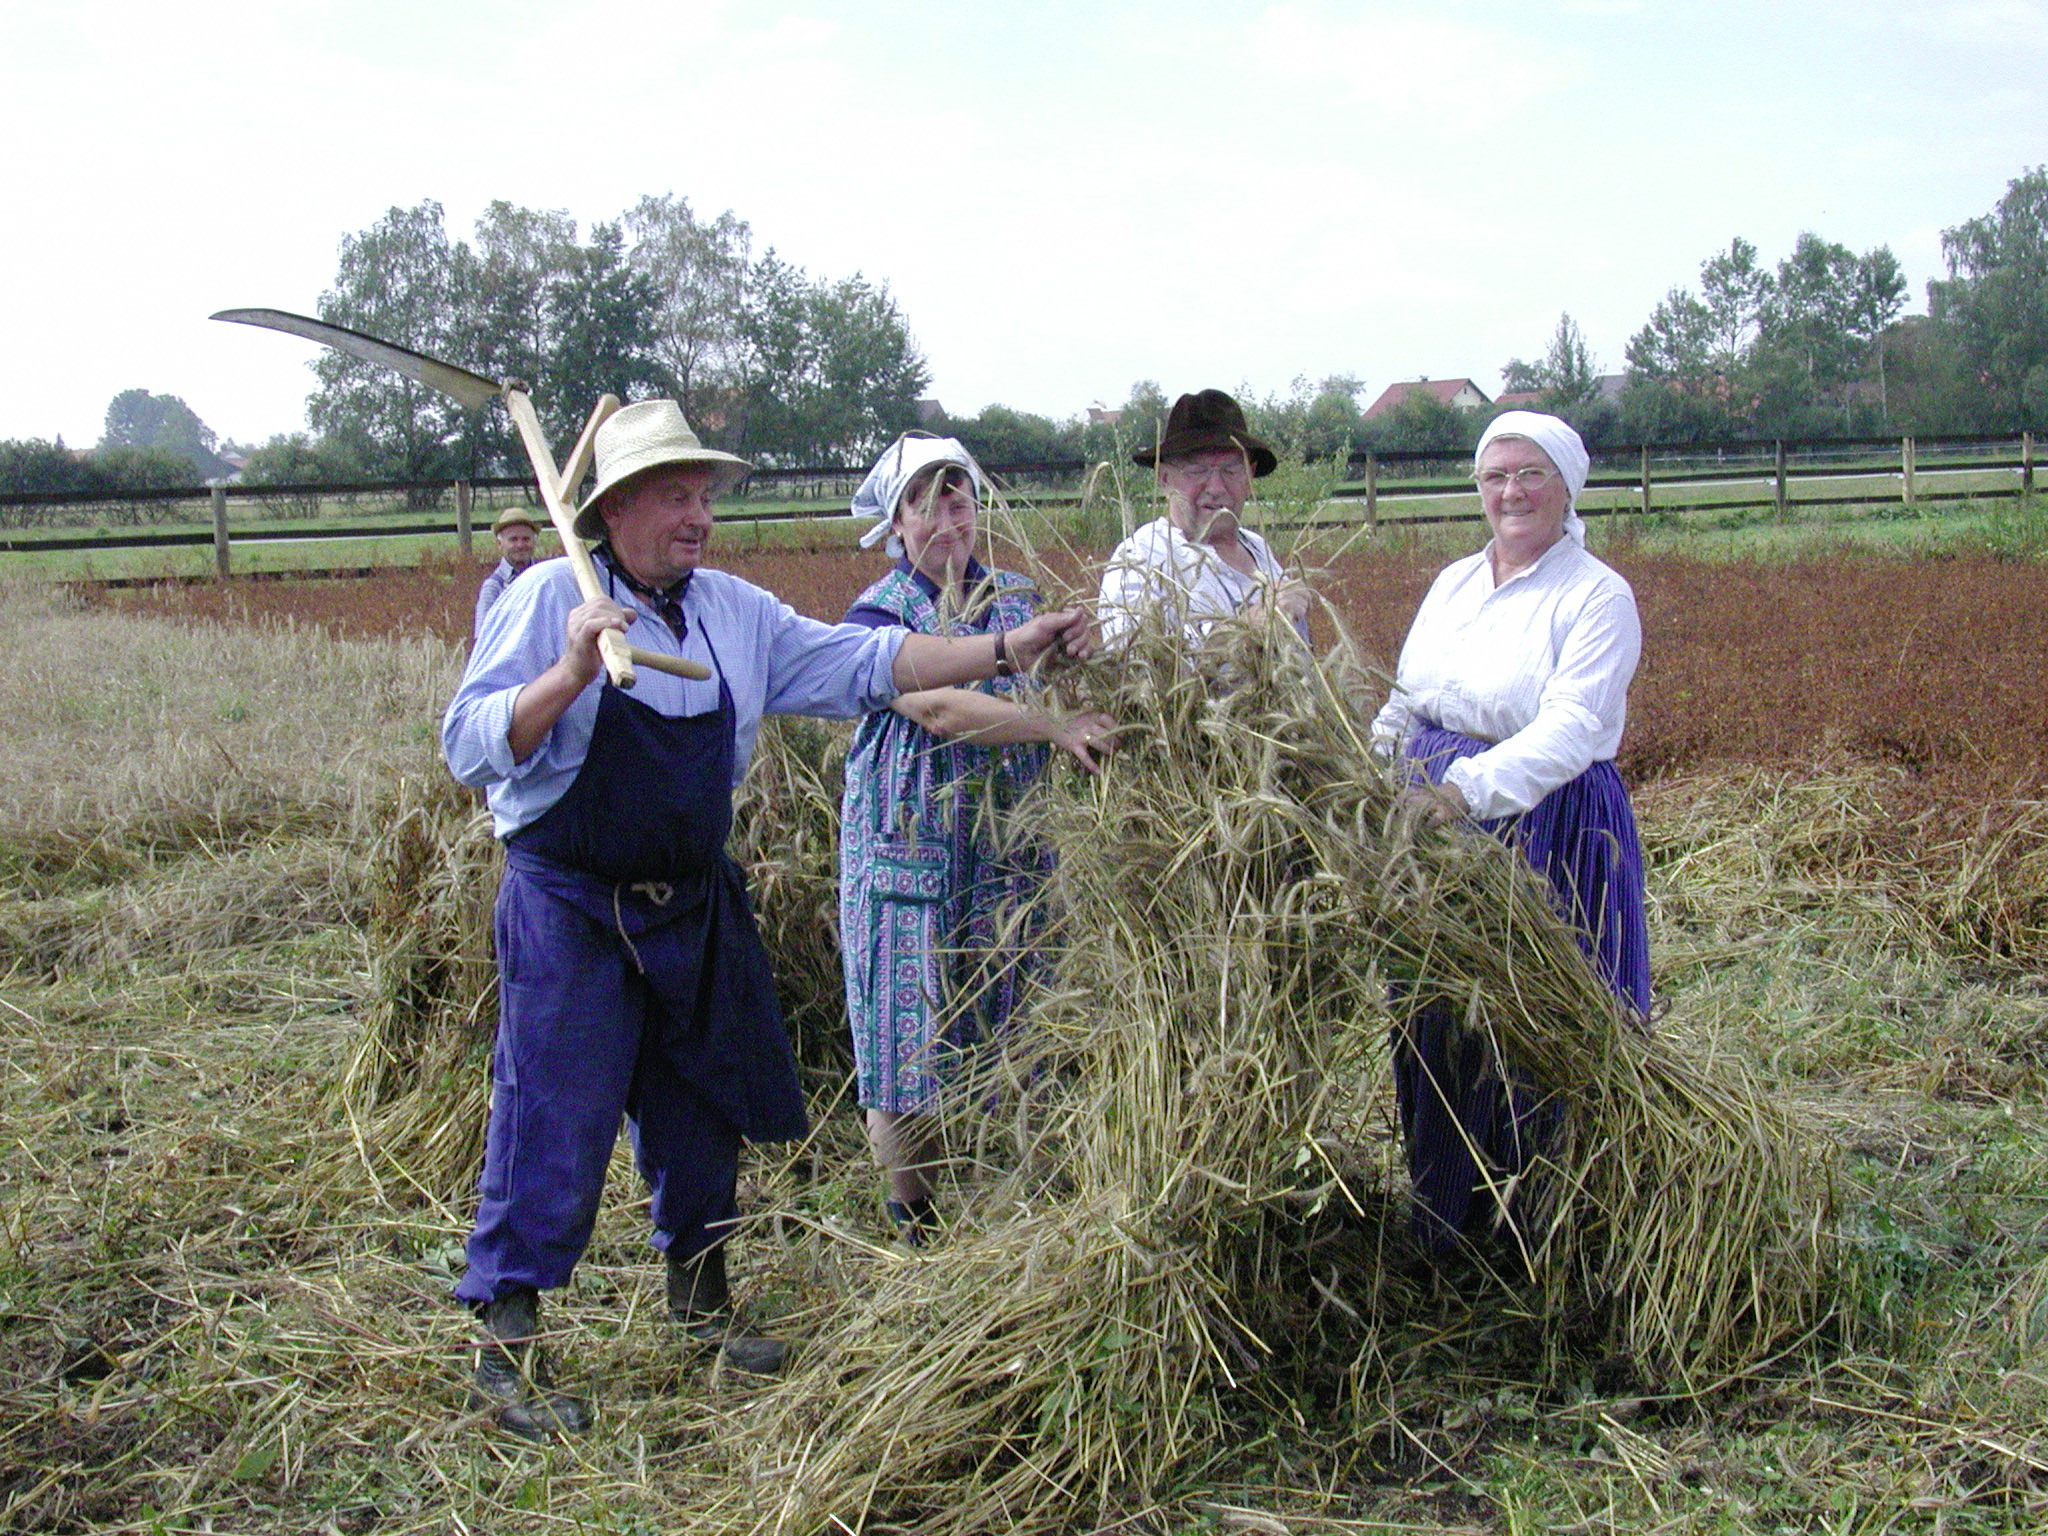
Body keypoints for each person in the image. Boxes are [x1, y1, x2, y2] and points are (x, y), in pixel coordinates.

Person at [442, 400, 1094, 1438]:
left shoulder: (736, 614)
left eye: (703, 495)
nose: (697, 515)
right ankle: (505, 1343)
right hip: (568, 903)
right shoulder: (541, 601)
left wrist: (1007, 644)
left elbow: (873, 667)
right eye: (672, 496)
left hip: (691, 901)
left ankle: (702, 1312)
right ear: (609, 510)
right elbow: (467, 745)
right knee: (550, 1112)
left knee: (703, 1110)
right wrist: (568, 672)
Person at [1369, 410, 1650, 1262]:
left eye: (1531, 474)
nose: (1512, 491)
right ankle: (1446, 1226)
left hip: (1549, 821)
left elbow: (1571, 729)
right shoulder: (1453, 583)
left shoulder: (1597, 595)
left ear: (1567, 487)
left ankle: (1548, 1233)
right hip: (1433, 826)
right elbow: (1405, 698)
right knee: (1436, 1015)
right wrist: (1367, 774)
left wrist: (1464, 790)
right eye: (1496, 476)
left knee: (1543, 1023)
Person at [837, 435, 1118, 1244]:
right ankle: (914, 1220)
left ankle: (1011, 1194)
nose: (945, 519)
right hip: (910, 846)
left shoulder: (1019, 595)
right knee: (905, 1026)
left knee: (1014, 1012)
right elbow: (938, 708)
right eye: (923, 505)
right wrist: (1049, 723)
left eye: (956, 500)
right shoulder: (879, 613)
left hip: (1007, 846)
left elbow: (1064, 680)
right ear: (895, 525)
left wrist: (1082, 649)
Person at [1097, 388, 1309, 648]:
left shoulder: (1259, 550)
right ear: (1164, 478)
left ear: (1250, 475)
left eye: (1231, 470)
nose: (1216, 487)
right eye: (1197, 470)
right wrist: (1251, 626)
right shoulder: (1140, 560)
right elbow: (1136, 668)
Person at [474, 507, 541, 634]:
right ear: (499, 544)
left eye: (526, 539)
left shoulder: (544, 579)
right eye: (513, 539)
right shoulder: (493, 587)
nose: (520, 545)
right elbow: (482, 637)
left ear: (534, 542)